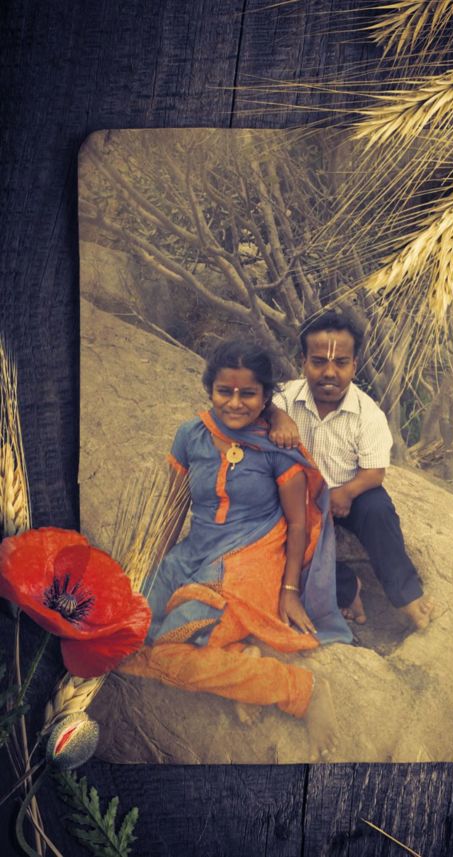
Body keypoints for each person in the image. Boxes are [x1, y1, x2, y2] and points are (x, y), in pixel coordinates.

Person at [120, 341, 352, 761]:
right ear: (210, 388)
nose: (235, 402)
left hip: (248, 564)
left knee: (170, 652)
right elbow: (174, 510)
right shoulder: (190, 435)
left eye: (248, 393)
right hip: (192, 556)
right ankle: (239, 663)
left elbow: (298, 523)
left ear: (265, 397)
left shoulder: (277, 445)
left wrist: (289, 591)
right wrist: (153, 569)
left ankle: (303, 690)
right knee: (125, 643)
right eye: (224, 391)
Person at [268, 310, 433, 629]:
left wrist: (347, 492)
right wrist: (278, 416)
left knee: (378, 509)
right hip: (295, 496)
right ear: (303, 361)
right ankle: (346, 587)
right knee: (269, 527)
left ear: (354, 365)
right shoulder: (285, 399)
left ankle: (407, 596)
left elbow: (374, 472)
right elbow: (262, 405)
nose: (329, 372)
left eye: (341, 363)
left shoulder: (367, 414)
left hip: (345, 496)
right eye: (318, 362)